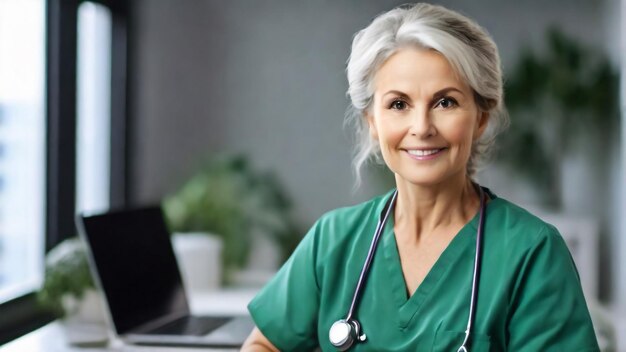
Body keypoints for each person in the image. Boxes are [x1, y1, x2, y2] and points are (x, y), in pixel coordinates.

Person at [241, 3, 599, 351]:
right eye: (399, 104)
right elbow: (263, 343)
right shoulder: (333, 242)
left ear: (481, 117)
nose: (422, 127)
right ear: (372, 122)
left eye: (445, 102)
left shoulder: (531, 253)